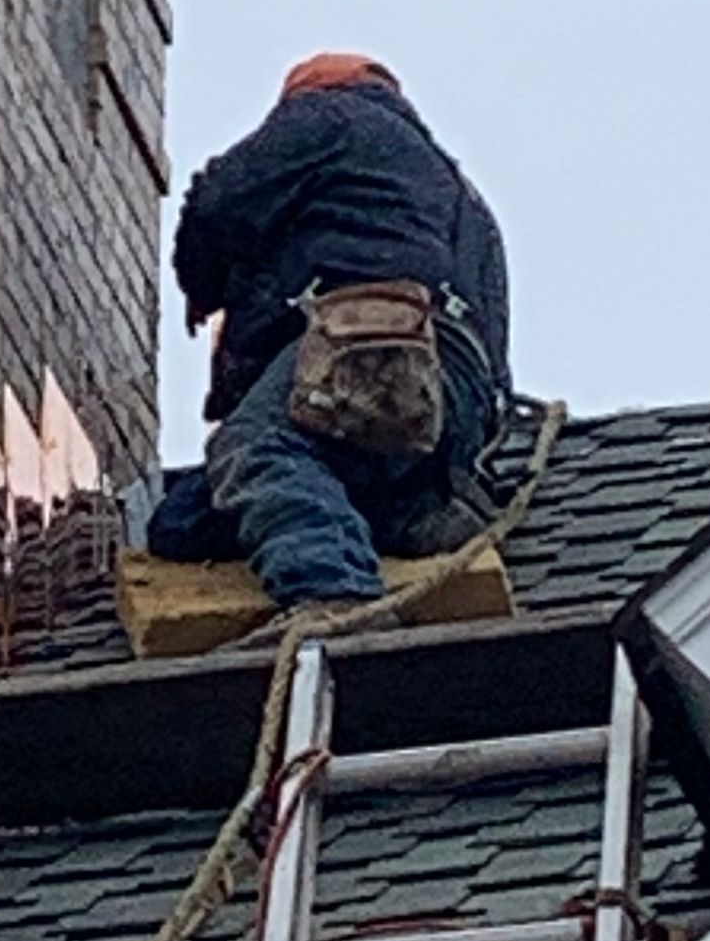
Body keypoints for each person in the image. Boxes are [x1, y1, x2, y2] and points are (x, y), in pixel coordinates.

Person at [147, 54, 510, 616]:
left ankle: (333, 593)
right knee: (182, 521)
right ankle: (408, 513)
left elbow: (219, 199)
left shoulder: (331, 117)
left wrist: (206, 282)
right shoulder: (469, 206)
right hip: (445, 411)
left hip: (365, 343)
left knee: (255, 447)